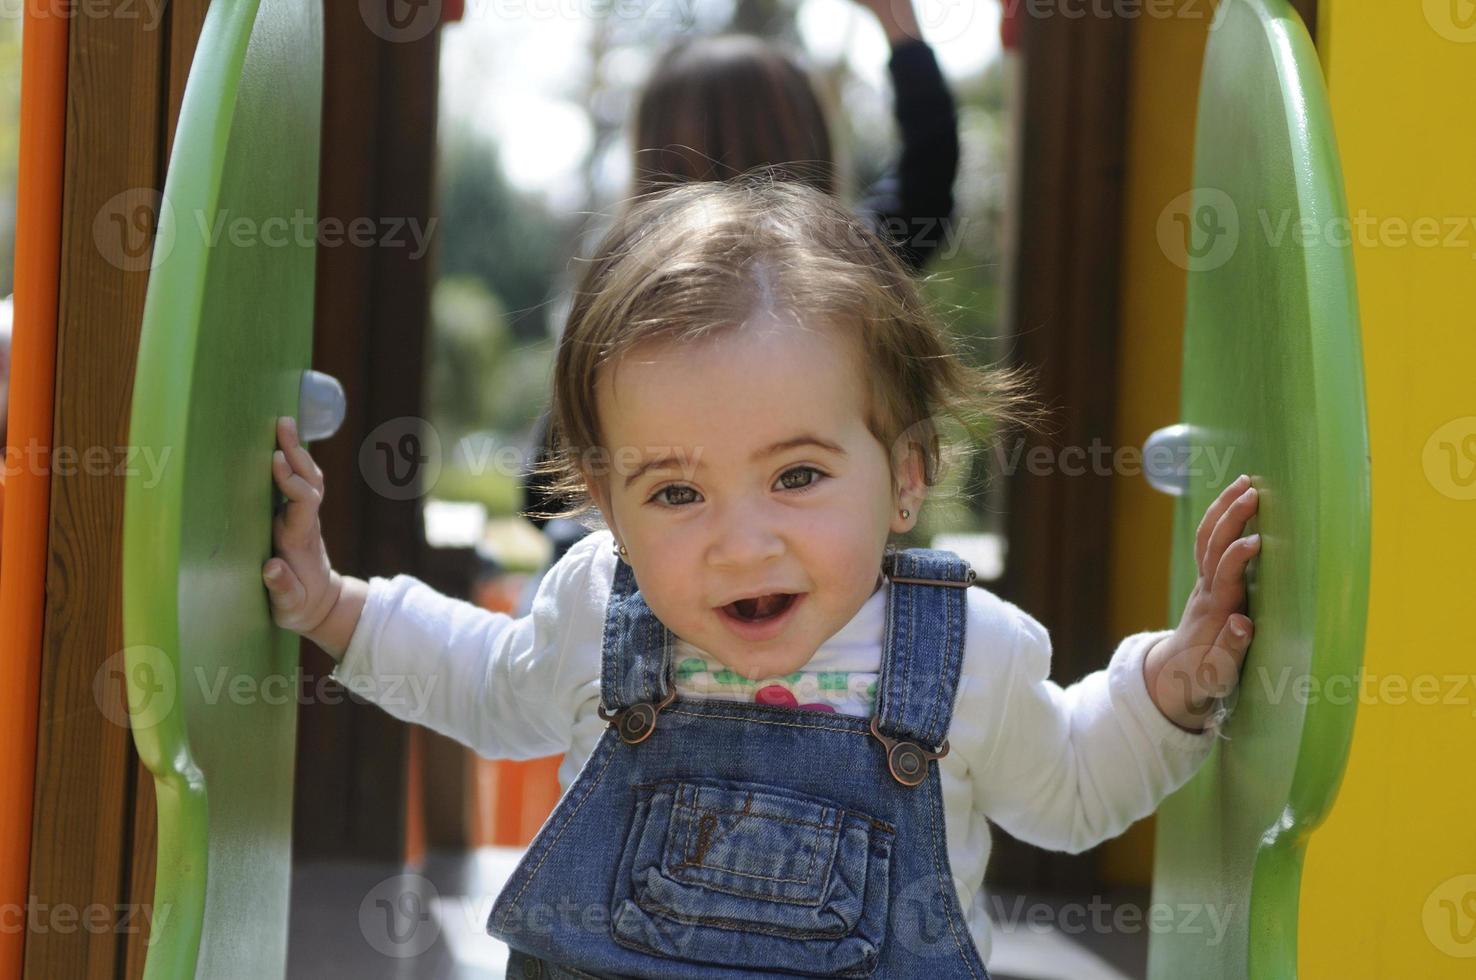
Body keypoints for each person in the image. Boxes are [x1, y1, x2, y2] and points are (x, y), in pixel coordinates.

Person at [262, 179, 1260, 976]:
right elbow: (478, 675)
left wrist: (1172, 685)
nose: (742, 545)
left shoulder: (968, 657)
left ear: (906, 473)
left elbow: (1074, 782)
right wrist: (334, 605)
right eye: (676, 494)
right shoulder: (597, 609)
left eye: (796, 475)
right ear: (606, 503)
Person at [521, 0, 962, 574]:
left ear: (651, 153)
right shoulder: (846, 277)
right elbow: (929, 175)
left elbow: (542, 493)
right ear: (811, 140)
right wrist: (900, 29)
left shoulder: (623, 296)